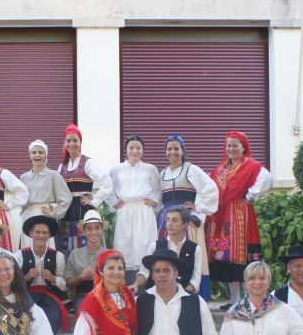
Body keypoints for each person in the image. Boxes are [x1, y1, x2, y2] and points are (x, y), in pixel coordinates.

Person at [206, 131, 272, 305]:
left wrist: (251, 194)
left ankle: (249, 298)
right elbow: (208, 187)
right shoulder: (220, 169)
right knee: (226, 259)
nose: (231, 148)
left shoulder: (250, 165)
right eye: (229, 145)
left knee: (241, 257)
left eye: (235, 145)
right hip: (221, 217)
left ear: (243, 148)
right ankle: (234, 299)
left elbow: (266, 178)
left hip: (239, 215)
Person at [159, 135, 219, 299]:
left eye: (176, 148)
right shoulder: (162, 173)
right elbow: (159, 198)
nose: (173, 152)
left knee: (189, 254)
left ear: (183, 151)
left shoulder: (191, 170)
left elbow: (211, 189)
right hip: (166, 221)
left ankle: (192, 290)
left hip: (187, 222)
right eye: (169, 149)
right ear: (165, 152)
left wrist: (198, 208)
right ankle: (169, 291)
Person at [108, 135, 161, 283]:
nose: (135, 151)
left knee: (145, 244)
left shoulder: (150, 169)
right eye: (131, 147)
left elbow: (157, 189)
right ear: (126, 149)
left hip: (144, 210)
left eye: (138, 148)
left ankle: (147, 281)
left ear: (143, 150)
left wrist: (155, 202)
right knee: (125, 244)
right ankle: (126, 283)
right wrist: (113, 202)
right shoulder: (117, 169)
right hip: (125, 209)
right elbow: (107, 187)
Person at [57, 124, 112, 255]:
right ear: (65, 143)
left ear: (80, 142)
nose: (72, 144)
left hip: (84, 209)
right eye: (68, 141)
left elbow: (106, 182)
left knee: (87, 242)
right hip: (67, 210)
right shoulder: (61, 167)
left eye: (75, 140)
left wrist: (94, 201)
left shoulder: (87, 163)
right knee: (67, 245)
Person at [15, 215, 68, 335]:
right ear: (31, 233)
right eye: (37, 232)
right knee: (25, 319)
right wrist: (26, 277)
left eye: (45, 233)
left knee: (53, 317)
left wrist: (53, 279)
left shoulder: (58, 256)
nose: (41, 236)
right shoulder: (19, 255)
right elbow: (12, 283)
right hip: (26, 296)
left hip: (49, 296)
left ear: (49, 235)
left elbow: (64, 285)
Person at [133, 205, 202, 294]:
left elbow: (195, 282)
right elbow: (144, 272)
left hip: (183, 298)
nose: (169, 224)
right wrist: (136, 283)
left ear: (185, 224)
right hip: (154, 296)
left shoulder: (196, 249)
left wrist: (179, 296)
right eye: (168, 219)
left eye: (174, 220)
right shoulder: (154, 245)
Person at [19, 139, 72, 249]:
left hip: (46, 217)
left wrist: (54, 212)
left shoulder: (53, 175)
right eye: (34, 152)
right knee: (28, 249)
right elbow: (20, 199)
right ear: (30, 155)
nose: (37, 155)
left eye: (40, 152)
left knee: (47, 249)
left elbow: (66, 198)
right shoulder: (23, 177)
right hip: (28, 217)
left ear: (46, 155)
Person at [64, 207, 107, 313]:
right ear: (84, 231)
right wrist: (81, 278)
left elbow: (121, 280)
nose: (94, 232)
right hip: (83, 295)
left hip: (106, 294)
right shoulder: (75, 254)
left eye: (97, 228)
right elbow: (68, 283)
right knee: (83, 310)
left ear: (102, 230)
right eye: (89, 228)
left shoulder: (109, 254)